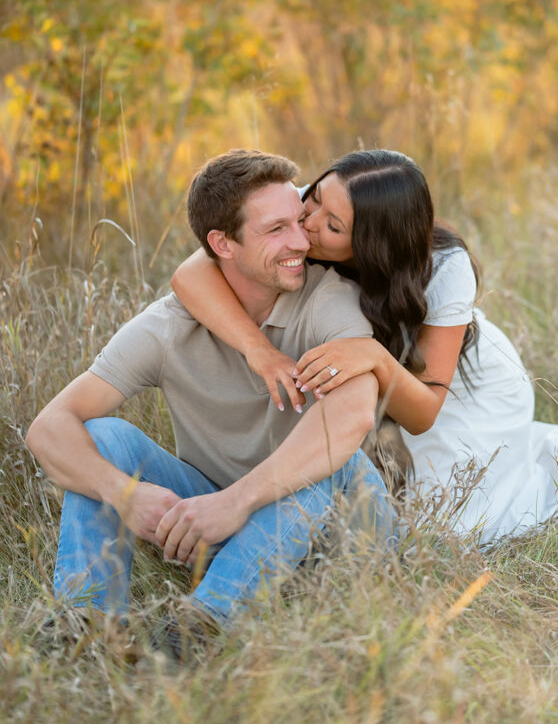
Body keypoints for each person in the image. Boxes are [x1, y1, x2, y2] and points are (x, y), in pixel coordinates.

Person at [25, 150, 394, 640]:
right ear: (222, 243)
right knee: (101, 435)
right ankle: (86, 626)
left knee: (330, 456)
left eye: (298, 221)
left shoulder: (329, 300)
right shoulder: (167, 325)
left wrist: (237, 502)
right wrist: (124, 495)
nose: (302, 240)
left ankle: (198, 629)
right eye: (276, 229)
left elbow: (352, 418)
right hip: (227, 524)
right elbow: (48, 428)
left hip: (344, 538)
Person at [172, 149, 558, 546]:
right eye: (317, 196)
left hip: (458, 386)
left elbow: (423, 413)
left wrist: (374, 356)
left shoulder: (445, 268)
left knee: (438, 531)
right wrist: (259, 351)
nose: (309, 222)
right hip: (379, 368)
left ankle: (540, 470)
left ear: (372, 243)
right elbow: (190, 275)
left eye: (334, 226)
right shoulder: (315, 205)